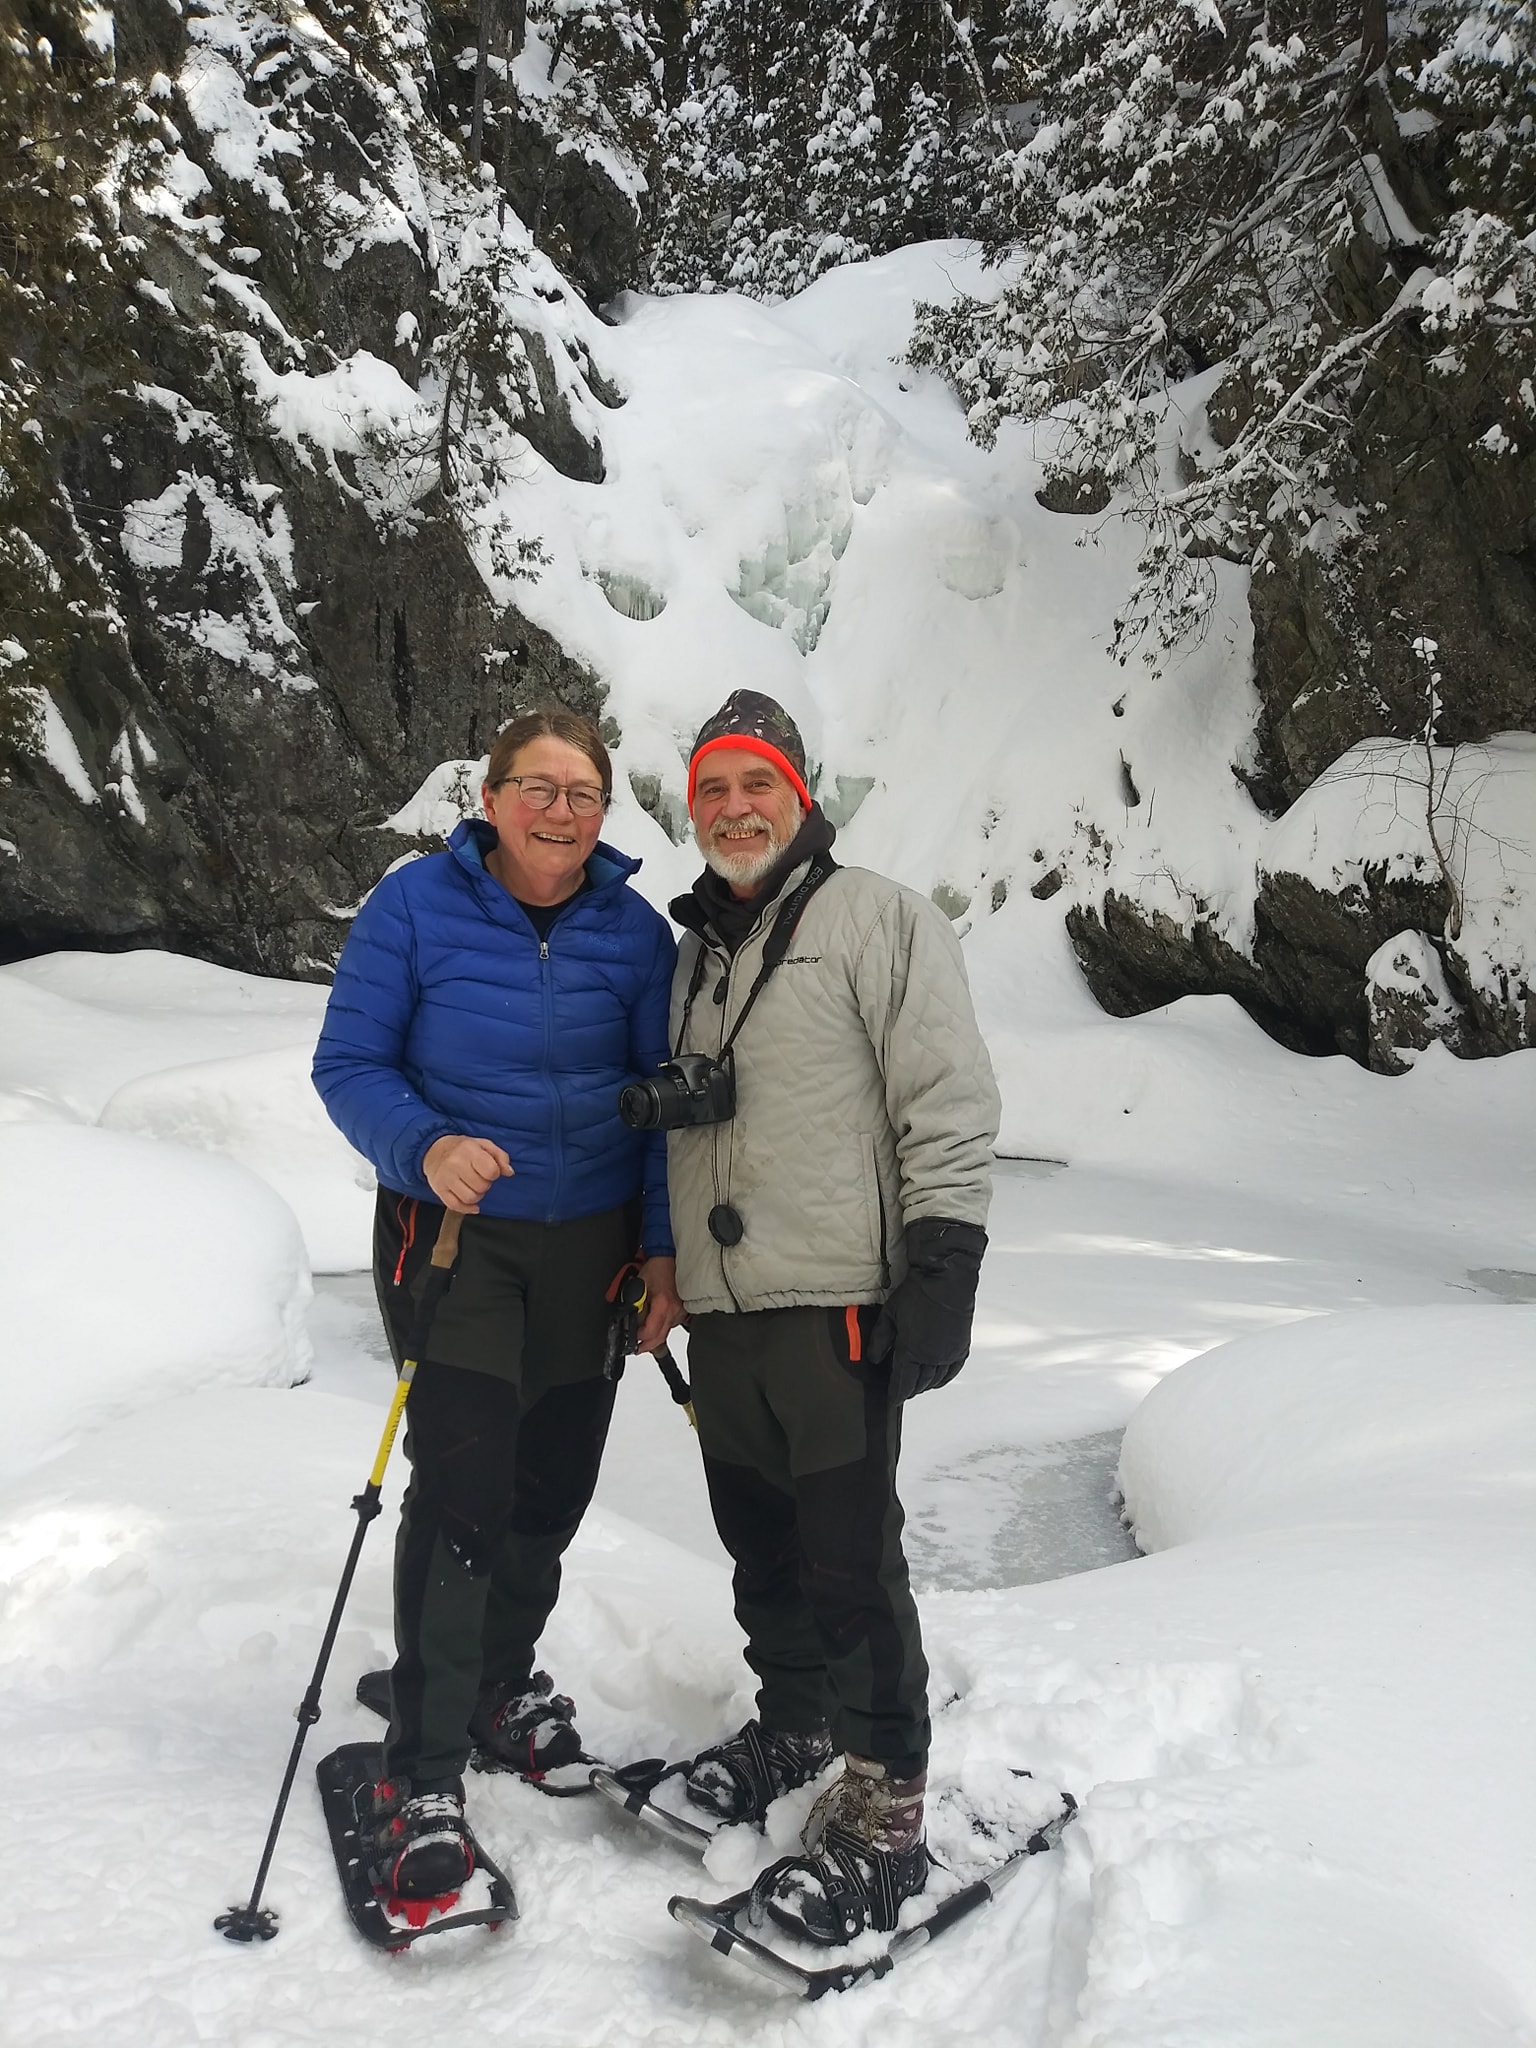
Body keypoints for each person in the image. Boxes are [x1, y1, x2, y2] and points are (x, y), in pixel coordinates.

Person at [312, 706, 680, 1901]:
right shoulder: (414, 907)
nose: (559, 811)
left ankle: (491, 1678)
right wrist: (425, 1144)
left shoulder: (634, 933)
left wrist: (662, 1255)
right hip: (458, 1242)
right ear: (492, 793)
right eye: (539, 786)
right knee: (466, 1491)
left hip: (593, 1253)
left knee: (551, 1489)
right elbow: (349, 1063)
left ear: (604, 811)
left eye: (582, 793)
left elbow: (660, 1107)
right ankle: (423, 1763)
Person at [660, 689, 1000, 1946]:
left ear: (801, 794)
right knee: (762, 1551)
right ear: (692, 808)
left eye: (757, 785)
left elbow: (947, 1096)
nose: (736, 808)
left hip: (840, 1312)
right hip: (725, 1313)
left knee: (853, 1566)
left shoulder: (879, 918)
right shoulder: (693, 952)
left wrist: (944, 1261)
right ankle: (797, 1721)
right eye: (713, 790)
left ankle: (886, 1800)